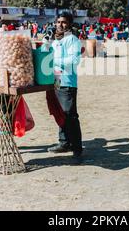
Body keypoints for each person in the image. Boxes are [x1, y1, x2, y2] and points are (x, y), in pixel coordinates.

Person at [48, 12, 84, 163]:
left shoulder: (73, 40)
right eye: (58, 22)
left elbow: (73, 60)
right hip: (54, 81)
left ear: (69, 23)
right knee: (59, 114)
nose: (60, 25)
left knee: (70, 116)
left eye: (63, 22)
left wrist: (53, 60)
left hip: (67, 82)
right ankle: (64, 142)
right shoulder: (55, 40)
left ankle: (77, 148)